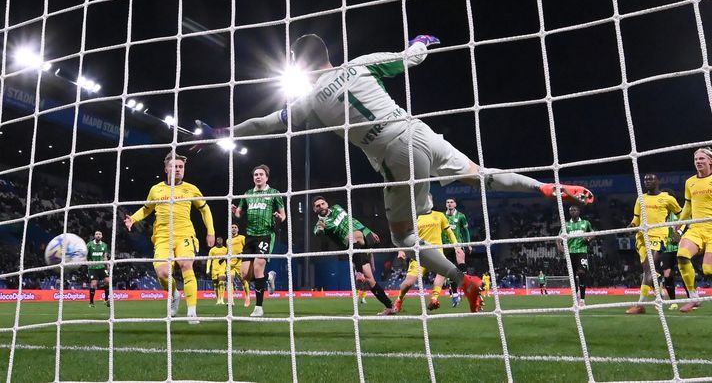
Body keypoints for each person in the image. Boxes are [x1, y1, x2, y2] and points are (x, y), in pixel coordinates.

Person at [208, 33, 594, 311]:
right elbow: (410, 58)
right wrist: (420, 41)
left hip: (394, 154)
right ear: (326, 54)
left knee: (404, 237)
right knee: (482, 175)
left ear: (300, 65)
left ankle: (465, 281)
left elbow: (265, 124)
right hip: (418, 131)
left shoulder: (309, 100)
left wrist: (227, 132)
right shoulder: (360, 64)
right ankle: (544, 187)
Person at [124, 152, 215, 324]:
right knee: (163, 273)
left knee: (186, 264)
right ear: (166, 169)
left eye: (181, 167)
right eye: (174, 166)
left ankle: (192, 312)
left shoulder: (191, 189)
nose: (178, 169)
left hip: (185, 235)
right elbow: (146, 209)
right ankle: (174, 294)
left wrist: (210, 231)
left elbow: (205, 209)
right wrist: (133, 219)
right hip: (162, 237)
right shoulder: (156, 189)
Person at [312, 196, 395, 315]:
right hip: (355, 249)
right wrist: (321, 229)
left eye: (322, 204)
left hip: (361, 235)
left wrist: (368, 230)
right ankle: (389, 306)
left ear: (327, 204)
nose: (321, 206)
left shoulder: (337, 208)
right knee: (370, 280)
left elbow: (352, 220)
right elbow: (318, 233)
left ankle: (358, 271)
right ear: (315, 210)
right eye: (318, 206)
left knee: (352, 236)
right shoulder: (319, 224)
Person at [231, 164, 285, 317]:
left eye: (261, 174)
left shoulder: (274, 193)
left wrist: (279, 218)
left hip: (266, 235)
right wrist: (235, 212)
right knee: (245, 274)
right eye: (256, 175)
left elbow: (283, 215)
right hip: (250, 236)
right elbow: (239, 214)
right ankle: (269, 277)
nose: (258, 177)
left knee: (257, 268)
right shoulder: (248, 194)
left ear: (266, 177)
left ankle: (259, 307)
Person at [624, 175, 682, 314]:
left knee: (648, 269)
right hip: (641, 238)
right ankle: (659, 292)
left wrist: (678, 231)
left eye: (651, 179)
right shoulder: (641, 198)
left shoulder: (667, 198)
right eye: (645, 180)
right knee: (648, 270)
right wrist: (632, 226)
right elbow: (636, 218)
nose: (647, 182)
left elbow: (682, 215)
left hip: (658, 236)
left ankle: (640, 304)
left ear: (657, 181)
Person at [393, 209, 469, 312]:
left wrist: (457, 246)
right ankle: (399, 300)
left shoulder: (440, 215)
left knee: (442, 273)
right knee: (408, 283)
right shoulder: (414, 218)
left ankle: (434, 299)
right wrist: (401, 250)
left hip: (437, 253)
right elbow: (405, 236)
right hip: (420, 254)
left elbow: (449, 232)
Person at [677, 147, 712, 312]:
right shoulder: (689, 182)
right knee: (682, 255)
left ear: (710, 161)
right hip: (696, 228)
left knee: (708, 270)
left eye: (702, 158)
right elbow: (688, 205)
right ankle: (694, 297)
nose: (698, 161)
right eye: (696, 159)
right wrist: (680, 223)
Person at [556, 205, 594, 307]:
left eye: (575, 210)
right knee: (572, 276)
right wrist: (559, 246)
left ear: (579, 211)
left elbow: (593, 233)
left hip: (582, 251)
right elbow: (558, 238)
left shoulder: (585, 223)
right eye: (571, 210)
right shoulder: (566, 225)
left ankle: (582, 300)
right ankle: (576, 296)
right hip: (570, 252)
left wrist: (589, 238)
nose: (573, 211)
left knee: (582, 273)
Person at [660, 189, 685, 310]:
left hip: (680, 247)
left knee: (684, 272)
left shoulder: (679, 212)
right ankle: (673, 301)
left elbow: (686, 222)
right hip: (667, 248)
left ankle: (692, 299)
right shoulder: (660, 214)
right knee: (667, 273)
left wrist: (679, 233)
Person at [444, 197, 471, 306]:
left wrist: (468, 244)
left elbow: (465, 231)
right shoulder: (442, 216)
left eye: (451, 202)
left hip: (458, 245)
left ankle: (467, 286)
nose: (449, 204)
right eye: (447, 202)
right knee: (450, 270)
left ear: (455, 204)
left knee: (461, 265)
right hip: (445, 246)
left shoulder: (461, 216)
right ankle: (455, 295)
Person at [228, 223, 251, 307]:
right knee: (230, 281)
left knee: (244, 281)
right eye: (232, 227)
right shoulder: (228, 240)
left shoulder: (242, 238)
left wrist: (242, 254)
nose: (233, 228)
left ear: (238, 229)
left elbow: (247, 248)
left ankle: (247, 297)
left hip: (240, 263)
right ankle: (231, 301)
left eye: (235, 227)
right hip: (231, 264)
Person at [86, 230, 110, 308]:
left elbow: (105, 257)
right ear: (94, 236)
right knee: (94, 284)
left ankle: (106, 300)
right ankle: (91, 302)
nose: (98, 235)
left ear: (102, 236)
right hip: (93, 267)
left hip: (102, 267)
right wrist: (87, 263)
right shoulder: (89, 244)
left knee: (108, 281)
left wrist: (107, 266)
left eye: (99, 234)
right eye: (96, 234)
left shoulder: (104, 245)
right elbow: (85, 255)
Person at [207, 237, 229, 305]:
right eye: (218, 240)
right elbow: (209, 259)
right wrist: (207, 269)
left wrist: (228, 268)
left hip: (222, 268)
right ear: (216, 241)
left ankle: (222, 299)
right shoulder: (212, 250)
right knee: (215, 284)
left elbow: (229, 259)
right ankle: (218, 299)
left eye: (220, 240)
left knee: (221, 283)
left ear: (222, 241)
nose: (219, 241)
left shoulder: (226, 249)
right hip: (214, 269)